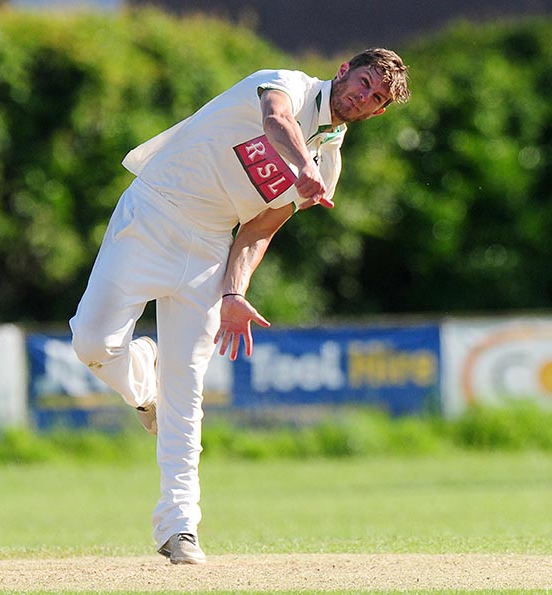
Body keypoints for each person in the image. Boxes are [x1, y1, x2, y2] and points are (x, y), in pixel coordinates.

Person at [70, 48, 410, 564]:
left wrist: (233, 294)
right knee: (92, 343)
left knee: (186, 391)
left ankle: (179, 527)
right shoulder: (286, 83)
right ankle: (144, 382)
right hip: (155, 210)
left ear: (377, 113)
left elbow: (258, 229)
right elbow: (276, 122)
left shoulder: (329, 163)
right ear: (344, 70)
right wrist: (301, 167)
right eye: (363, 81)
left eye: (375, 98)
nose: (362, 96)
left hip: (210, 248)